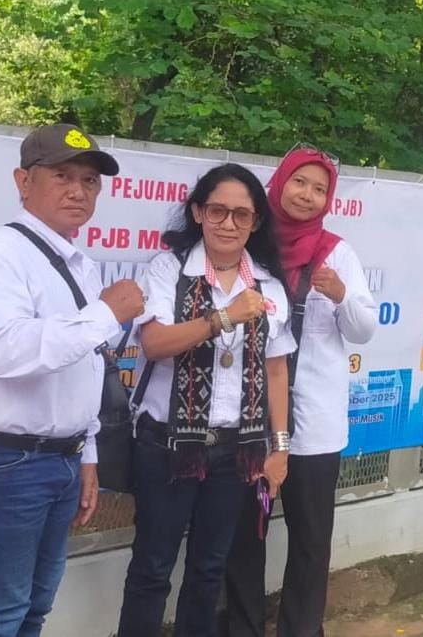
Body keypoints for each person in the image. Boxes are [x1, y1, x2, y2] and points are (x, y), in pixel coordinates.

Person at [0, 123, 144, 637]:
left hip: (61, 459)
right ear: (23, 181)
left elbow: (83, 369)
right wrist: (106, 313)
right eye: (62, 176)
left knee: (34, 606)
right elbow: (5, 351)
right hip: (0, 460)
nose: (78, 191)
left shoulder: (81, 265)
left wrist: (87, 455)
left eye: (90, 180)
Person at [117, 164, 296, 637]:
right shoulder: (169, 270)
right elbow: (154, 344)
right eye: (217, 210)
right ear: (198, 212)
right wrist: (224, 317)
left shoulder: (268, 285)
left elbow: (276, 370)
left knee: (209, 568)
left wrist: (279, 448)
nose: (228, 223)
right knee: (152, 568)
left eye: (242, 214)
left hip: (236, 450)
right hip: (167, 444)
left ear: (256, 222)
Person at [223, 147, 378, 637]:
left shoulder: (337, 253)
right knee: (245, 537)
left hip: (314, 424)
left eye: (319, 189)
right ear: (280, 182)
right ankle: (243, 628)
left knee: (311, 541)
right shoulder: (251, 244)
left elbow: (363, 330)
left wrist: (341, 295)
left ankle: (302, 629)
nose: (308, 195)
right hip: (250, 416)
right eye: (299, 182)